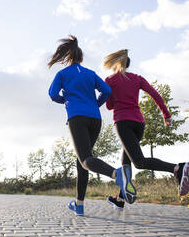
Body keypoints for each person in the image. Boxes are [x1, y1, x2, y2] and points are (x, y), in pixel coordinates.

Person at [48, 36, 137, 216]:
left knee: (86, 160)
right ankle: (79, 204)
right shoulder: (90, 73)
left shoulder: (63, 74)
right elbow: (107, 91)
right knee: (82, 161)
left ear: (69, 57)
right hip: (95, 119)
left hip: (77, 117)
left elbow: (52, 94)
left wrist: (66, 100)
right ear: (81, 58)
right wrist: (96, 103)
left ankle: (117, 175)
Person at [103, 49, 189, 211]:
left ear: (115, 64)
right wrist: (166, 115)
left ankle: (177, 168)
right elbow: (155, 94)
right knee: (125, 159)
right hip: (139, 123)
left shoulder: (110, 80)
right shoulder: (137, 78)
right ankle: (121, 199)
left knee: (139, 162)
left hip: (123, 122)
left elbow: (109, 106)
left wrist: (114, 96)